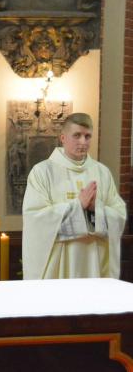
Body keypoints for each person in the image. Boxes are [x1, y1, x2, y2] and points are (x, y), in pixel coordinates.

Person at [22, 113, 127, 279]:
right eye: (77, 135)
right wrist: (77, 206)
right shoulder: (42, 172)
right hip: (59, 262)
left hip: (93, 261)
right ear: (63, 138)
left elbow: (119, 217)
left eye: (87, 136)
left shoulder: (102, 172)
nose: (83, 142)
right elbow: (35, 219)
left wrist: (95, 210)